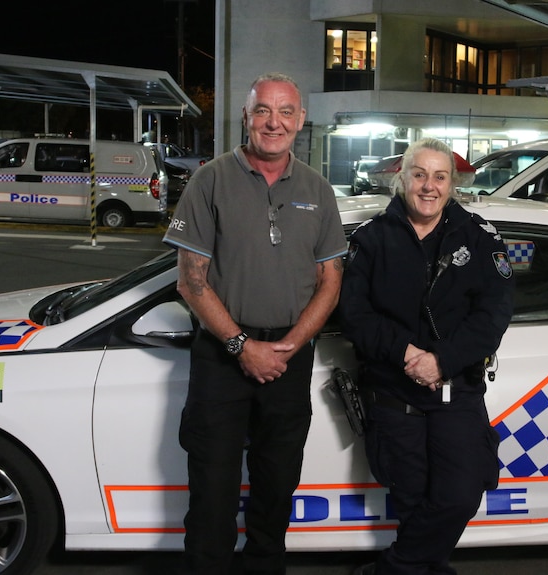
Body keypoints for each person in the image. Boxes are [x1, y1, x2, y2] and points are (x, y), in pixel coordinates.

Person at [162, 72, 348, 575]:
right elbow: (190, 282)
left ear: (301, 120)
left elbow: (330, 282)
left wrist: (287, 347)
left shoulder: (318, 190)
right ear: (246, 117)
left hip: (290, 359)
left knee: (276, 486)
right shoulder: (210, 181)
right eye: (263, 110)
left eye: (285, 111)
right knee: (212, 489)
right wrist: (242, 345)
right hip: (222, 357)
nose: (274, 122)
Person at [338, 138, 515, 575]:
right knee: (411, 498)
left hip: (457, 391)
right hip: (393, 393)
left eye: (440, 177)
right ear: (403, 179)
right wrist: (406, 352)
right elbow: (354, 315)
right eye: (419, 174)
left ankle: (391, 570)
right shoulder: (372, 238)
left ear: (452, 184)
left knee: (459, 495)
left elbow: (493, 315)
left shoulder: (479, 236)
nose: (429, 186)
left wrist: (442, 359)